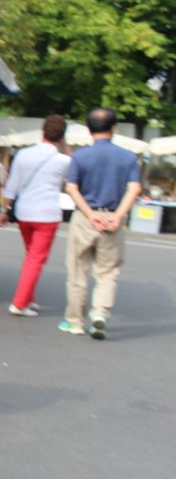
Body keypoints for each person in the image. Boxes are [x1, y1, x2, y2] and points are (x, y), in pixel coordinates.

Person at [59, 108, 141, 339]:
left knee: (77, 270)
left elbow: (71, 188)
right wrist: (118, 215)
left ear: (88, 129)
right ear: (114, 128)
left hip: (85, 218)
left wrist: (89, 213)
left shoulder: (80, 156)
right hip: (113, 218)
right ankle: (99, 314)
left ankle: (74, 321)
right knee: (107, 272)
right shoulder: (128, 157)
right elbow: (134, 188)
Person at [0, 115, 71, 316]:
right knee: (36, 258)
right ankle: (19, 303)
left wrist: (5, 210)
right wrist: (65, 146)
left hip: (24, 212)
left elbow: (12, 184)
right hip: (47, 214)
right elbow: (74, 170)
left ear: (42, 132)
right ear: (62, 136)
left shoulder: (23, 154)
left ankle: (28, 297)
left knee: (31, 256)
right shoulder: (62, 160)